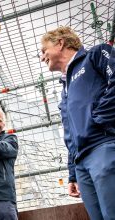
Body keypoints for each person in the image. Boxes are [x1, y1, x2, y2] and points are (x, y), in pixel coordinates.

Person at [40, 26, 115, 219]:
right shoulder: (65, 87)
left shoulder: (96, 55)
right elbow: (70, 132)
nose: (42, 57)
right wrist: (73, 172)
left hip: (103, 147)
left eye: (44, 50)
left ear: (60, 43)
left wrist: (98, 119)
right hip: (81, 164)